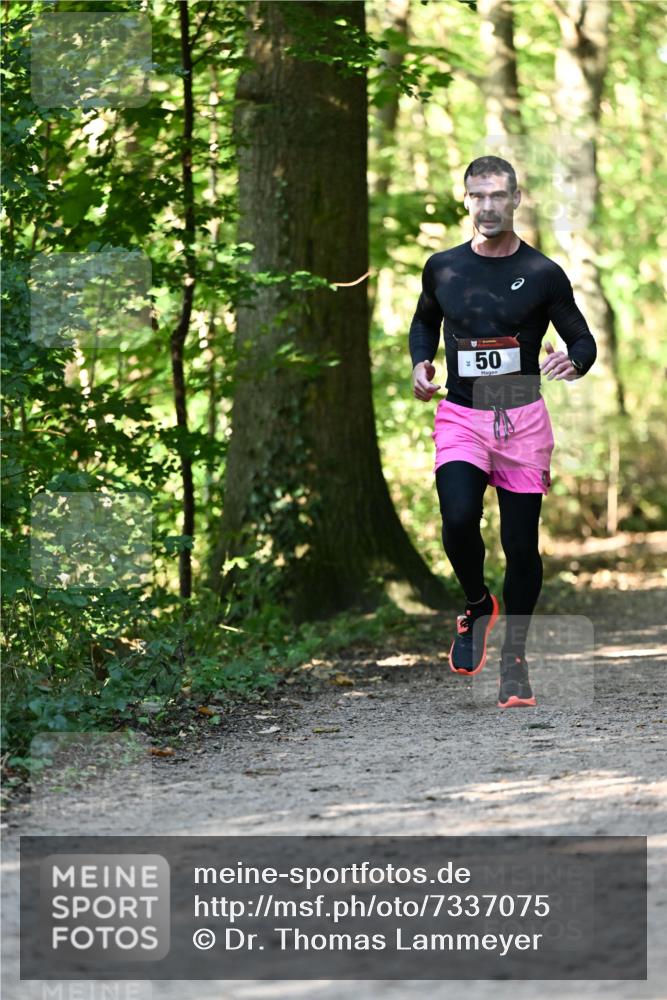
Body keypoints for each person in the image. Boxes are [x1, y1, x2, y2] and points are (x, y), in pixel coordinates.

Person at [409, 155, 596, 708]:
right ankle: (475, 603)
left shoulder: (543, 273)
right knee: (459, 516)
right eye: (477, 196)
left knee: (520, 546)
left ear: (516, 199)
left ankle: (515, 658)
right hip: (463, 415)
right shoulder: (442, 267)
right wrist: (422, 362)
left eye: (497, 196)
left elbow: (582, 340)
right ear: (465, 200)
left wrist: (573, 362)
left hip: (521, 418)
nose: (487, 207)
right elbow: (424, 321)